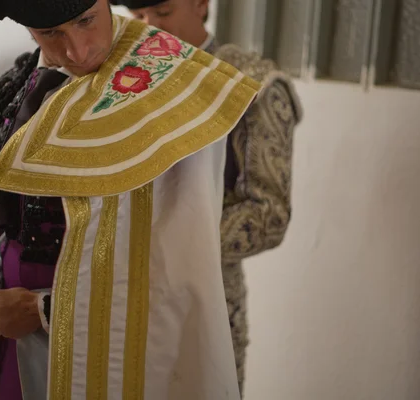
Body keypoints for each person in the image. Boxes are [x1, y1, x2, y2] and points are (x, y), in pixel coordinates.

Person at [0, 0, 265, 398]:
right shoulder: (31, 79)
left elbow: (172, 267)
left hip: (90, 347)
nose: (77, 51)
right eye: (50, 33)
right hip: (4, 334)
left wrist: (43, 311)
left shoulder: (171, 87)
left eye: (86, 21)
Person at [111, 0, 303, 395]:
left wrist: (159, 250)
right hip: (114, 291)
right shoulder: (121, 79)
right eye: (139, 17)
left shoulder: (251, 83)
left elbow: (269, 215)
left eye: (162, 13)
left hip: (204, 296)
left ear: (201, 4)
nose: (150, 29)